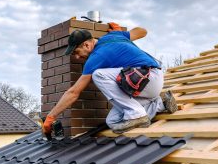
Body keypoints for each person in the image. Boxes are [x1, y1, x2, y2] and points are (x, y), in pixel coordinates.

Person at [43, 23, 177, 135]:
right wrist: (121, 34)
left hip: (148, 76)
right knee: (113, 121)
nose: (77, 58)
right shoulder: (114, 35)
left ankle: (137, 114)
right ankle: (161, 104)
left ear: (86, 45)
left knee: (98, 74)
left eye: (76, 52)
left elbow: (73, 93)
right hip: (147, 85)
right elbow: (143, 31)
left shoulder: (96, 57)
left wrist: (51, 117)